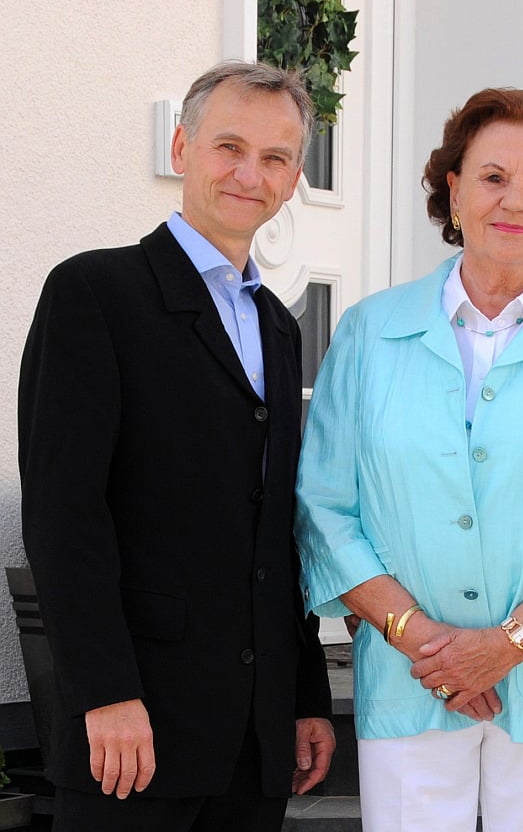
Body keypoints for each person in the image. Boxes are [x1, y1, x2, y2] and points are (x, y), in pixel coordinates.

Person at [294, 87, 523, 832]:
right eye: (493, 177)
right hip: (412, 684)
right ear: (454, 189)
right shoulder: (370, 332)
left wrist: (505, 646)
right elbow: (325, 509)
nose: (514, 201)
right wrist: (430, 646)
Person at [18, 61, 336, 832]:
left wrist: (303, 698)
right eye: (230, 146)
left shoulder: (280, 328)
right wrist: (102, 691)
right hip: (134, 733)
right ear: (183, 145)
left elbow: (280, 531)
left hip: (252, 743)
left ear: (294, 178)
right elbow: (66, 516)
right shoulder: (94, 294)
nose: (249, 174)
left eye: (275, 158)